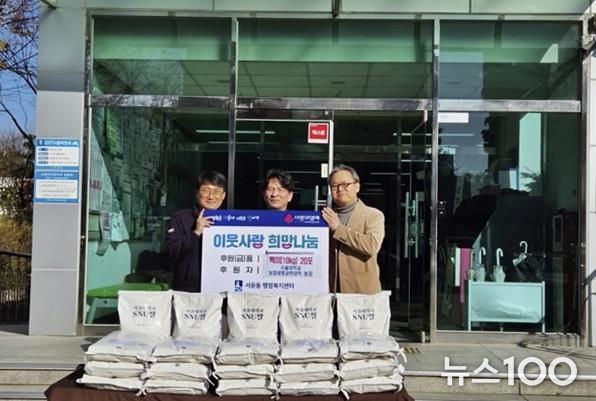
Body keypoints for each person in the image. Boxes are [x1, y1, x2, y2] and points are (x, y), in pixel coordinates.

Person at [321, 164, 385, 294]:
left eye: (345, 184)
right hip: (331, 291)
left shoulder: (373, 215)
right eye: (334, 186)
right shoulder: (325, 217)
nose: (340, 189)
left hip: (361, 291)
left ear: (357, 186)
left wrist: (338, 229)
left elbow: (371, 246)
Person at [164, 170, 226, 292]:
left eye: (216, 192)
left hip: (220, 290)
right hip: (187, 291)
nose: (211, 196)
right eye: (206, 190)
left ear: (223, 195)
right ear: (197, 193)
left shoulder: (231, 220)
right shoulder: (180, 217)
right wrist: (196, 232)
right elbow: (170, 254)